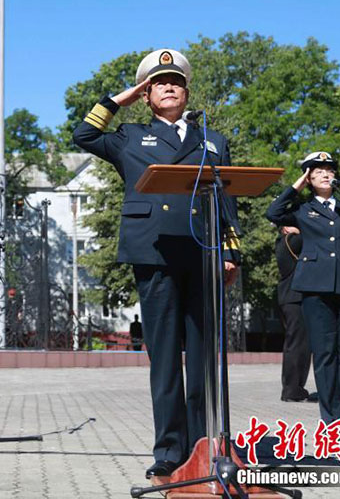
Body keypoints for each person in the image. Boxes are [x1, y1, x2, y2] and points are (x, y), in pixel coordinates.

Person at [72, 49, 242, 478]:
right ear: (147, 95)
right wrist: (120, 99)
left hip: (201, 252)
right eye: (159, 83)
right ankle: (169, 448)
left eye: (176, 82)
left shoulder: (212, 140)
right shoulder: (130, 135)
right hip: (154, 253)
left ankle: (205, 442)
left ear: (187, 92)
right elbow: (84, 136)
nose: (169, 87)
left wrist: (231, 249)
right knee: (165, 356)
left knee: (203, 356)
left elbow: (227, 199)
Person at [266, 151, 340, 438]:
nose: (326, 174)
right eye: (318, 171)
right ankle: (332, 421)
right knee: (325, 355)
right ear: (309, 178)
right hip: (315, 289)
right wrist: (297, 185)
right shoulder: (301, 210)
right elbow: (273, 212)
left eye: (329, 170)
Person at [274, 226, 313, 402]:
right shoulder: (292, 241)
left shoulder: (283, 242)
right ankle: (292, 389)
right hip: (295, 297)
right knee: (298, 345)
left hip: (290, 297)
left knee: (298, 344)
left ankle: (294, 388)